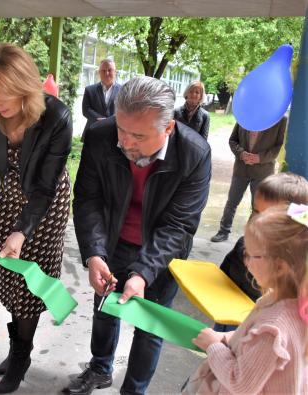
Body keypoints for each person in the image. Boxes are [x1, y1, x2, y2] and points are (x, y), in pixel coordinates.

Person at [66, 76, 211, 395]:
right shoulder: (101, 136)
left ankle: (134, 390)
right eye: (122, 129)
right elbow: (89, 198)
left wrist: (143, 273)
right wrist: (94, 253)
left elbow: (179, 225)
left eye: (139, 136)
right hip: (113, 241)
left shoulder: (195, 154)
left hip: (163, 254)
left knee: (150, 327)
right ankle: (100, 367)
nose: (126, 143)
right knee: (105, 308)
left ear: (168, 129)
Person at [0, 43, 72, 394]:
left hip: (47, 204)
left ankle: (21, 356)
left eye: (2, 98)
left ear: (24, 87)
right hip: (10, 196)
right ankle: (16, 349)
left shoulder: (56, 116)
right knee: (10, 278)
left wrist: (22, 232)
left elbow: (44, 186)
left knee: (30, 285)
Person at [185, 204, 308, 394]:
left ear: (280, 267)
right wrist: (225, 337)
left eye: (252, 255)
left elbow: (240, 383)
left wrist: (213, 346)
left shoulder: (274, 328)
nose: (246, 261)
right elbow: (254, 344)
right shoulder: (291, 302)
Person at [214, 172, 308, 332]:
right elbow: (222, 276)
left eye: (269, 216)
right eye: (256, 212)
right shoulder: (242, 244)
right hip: (226, 317)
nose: (258, 221)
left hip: (258, 329)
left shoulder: (294, 266)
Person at [211, 116, 287, 242]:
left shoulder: (280, 120)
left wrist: (260, 158)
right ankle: (223, 231)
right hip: (241, 169)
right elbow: (232, 140)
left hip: (263, 171)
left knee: (258, 206)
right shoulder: (244, 115)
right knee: (232, 202)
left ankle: (251, 237)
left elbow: (279, 146)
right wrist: (241, 153)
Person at [81, 58, 122, 140]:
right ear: (99, 72)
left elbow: (125, 109)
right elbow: (86, 109)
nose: (107, 73)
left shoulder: (124, 90)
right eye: (103, 71)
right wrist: (100, 119)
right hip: (93, 132)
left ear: (115, 72)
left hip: (115, 133)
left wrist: (109, 121)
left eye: (110, 70)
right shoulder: (89, 90)